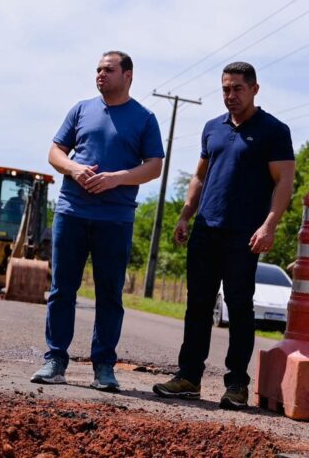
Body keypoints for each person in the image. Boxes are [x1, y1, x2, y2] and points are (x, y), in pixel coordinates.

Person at [153, 62, 295, 410]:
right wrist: (186, 215)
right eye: (225, 89)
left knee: (239, 308)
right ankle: (188, 377)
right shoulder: (211, 128)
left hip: (244, 235)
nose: (231, 96)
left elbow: (284, 183)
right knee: (197, 305)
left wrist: (269, 225)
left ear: (254, 89)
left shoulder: (274, 130)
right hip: (206, 230)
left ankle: (236, 385)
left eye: (238, 89)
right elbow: (200, 177)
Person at [30, 51, 164, 392]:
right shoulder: (81, 109)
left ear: (128, 75)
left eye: (109, 69)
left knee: (109, 294)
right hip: (72, 213)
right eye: (98, 70)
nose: (100, 75)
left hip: (115, 219)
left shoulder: (144, 118)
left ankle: (104, 366)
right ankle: (55, 360)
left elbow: (154, 166)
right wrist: (74, 168)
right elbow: (54, 152)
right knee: (62, 289)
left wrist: (117, 178)